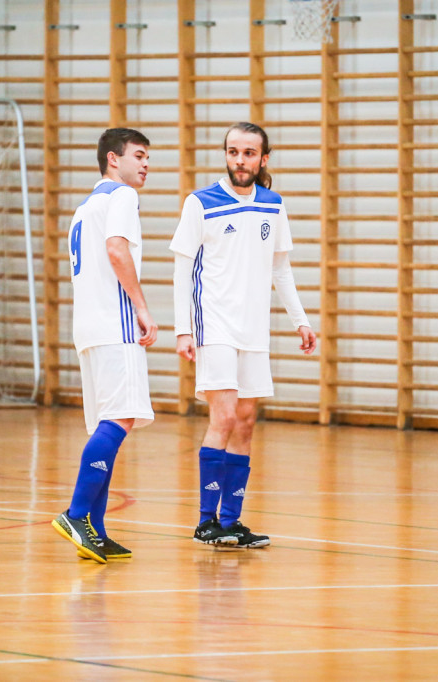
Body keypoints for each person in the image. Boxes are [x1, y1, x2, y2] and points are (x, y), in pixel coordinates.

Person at [169, 122, 317, 549]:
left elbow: (280, 270)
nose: (239, 160)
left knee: (247, 422)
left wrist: (300, 320)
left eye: (249, 153)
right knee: (225, 417)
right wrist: (184, 330)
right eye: (233, 152)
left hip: (254, 330)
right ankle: (205, 522)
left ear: (263, 159)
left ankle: (231, 522)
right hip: (214, 326)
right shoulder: (200, 203)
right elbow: (182, 271)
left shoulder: (273, 205)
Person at [51, 128, 158, 564]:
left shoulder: (85, 207)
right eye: (139, 155)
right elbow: (117, 250)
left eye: (148, 157)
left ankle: (93, 528)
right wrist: (142, 307)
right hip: (114, 326)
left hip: (88, 329)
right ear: (113, 159)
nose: (146, 164)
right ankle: (77, 515)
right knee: (121, 419)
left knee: (107, 425)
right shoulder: (122, 197)